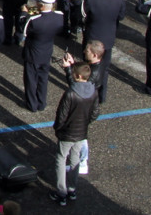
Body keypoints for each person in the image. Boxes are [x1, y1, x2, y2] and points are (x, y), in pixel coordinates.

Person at [50, 62, 99, 207]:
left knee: (60, 158)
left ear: (77, 76)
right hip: (81, 132)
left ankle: (61, 192)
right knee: (75, 159)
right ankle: (72, 189)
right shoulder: (93, 91)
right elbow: (95, 113)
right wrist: (85, 123)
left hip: (67, 133)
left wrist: (58, 128)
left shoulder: (70, 93)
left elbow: (61, 115)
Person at [81, 0, 125, 103]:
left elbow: (83, 16)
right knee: (104, 68)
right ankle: (102, 96)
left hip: (92, 36)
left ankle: (88, 93)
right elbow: (121, 16)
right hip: (109, 37)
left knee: (88, 67)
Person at [19, 0, 65, 112]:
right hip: (47, 50)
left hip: (33, 52)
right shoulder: (59, 17)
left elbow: (23, 28)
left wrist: (24, 14)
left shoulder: (34, 20)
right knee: (43, 78)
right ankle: (41, 102)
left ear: (41, 5)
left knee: (31, 79)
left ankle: (32, 104)